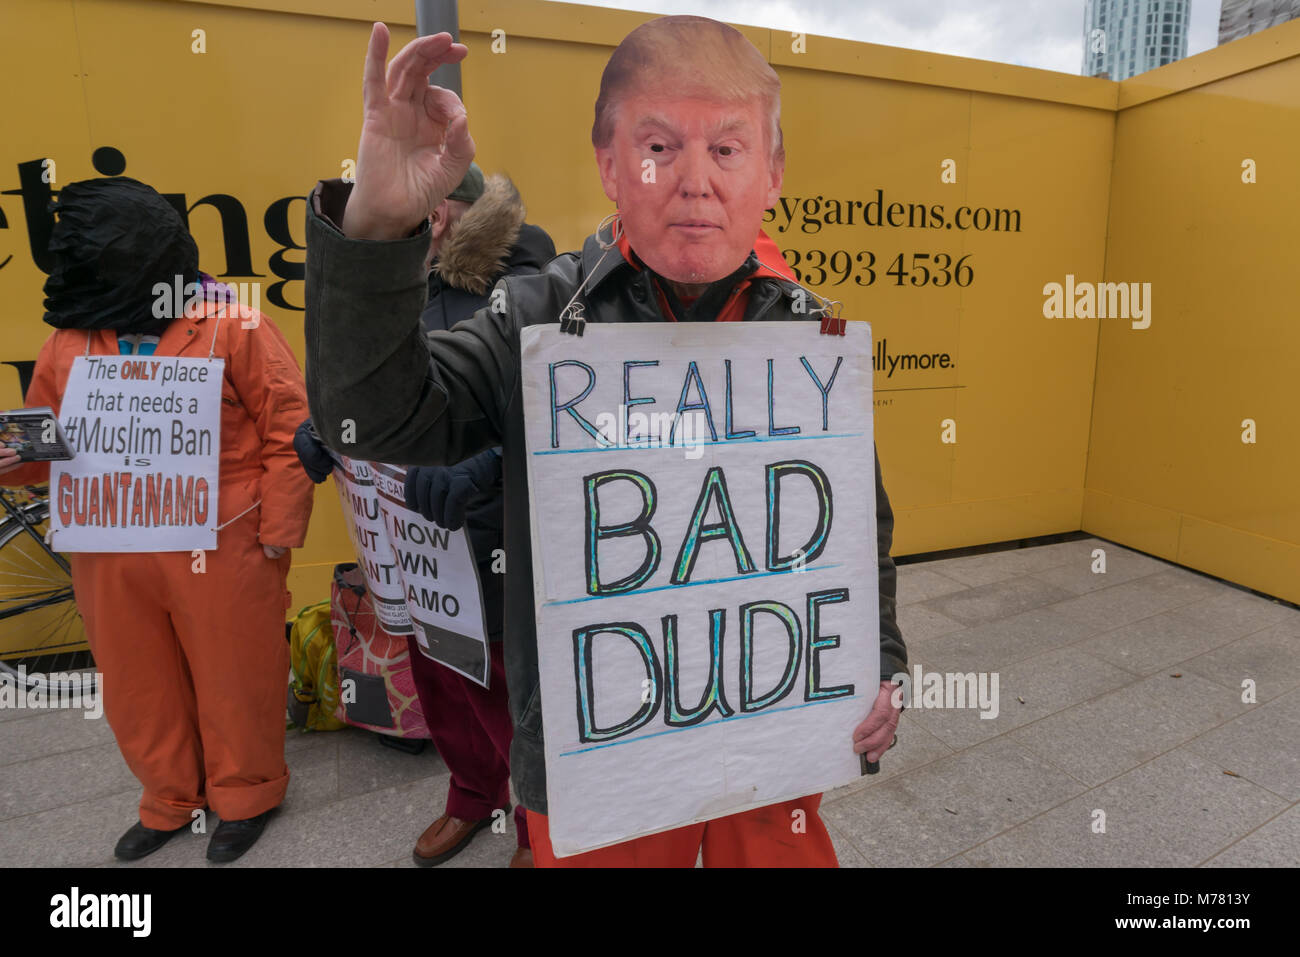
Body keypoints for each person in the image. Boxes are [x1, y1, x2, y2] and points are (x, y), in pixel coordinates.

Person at [303, 16, 905, 867]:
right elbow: (371, 419)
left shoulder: (812, 331)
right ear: (610, 166)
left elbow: (856, 531)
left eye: (728, 150)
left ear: (772, 174)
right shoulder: (539, 317)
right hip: (604, 761)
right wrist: (375, 230)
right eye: (659, 146)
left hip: (771, 746)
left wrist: (878, 661)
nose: (695, 182)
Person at [0, 176, 314, 863]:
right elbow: (47, 439)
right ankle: (170, 796)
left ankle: (246, 793)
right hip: (109, 545)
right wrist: (9, 453)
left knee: (236, 673)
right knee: (138, 680)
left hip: (222, 536)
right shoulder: (69, 342)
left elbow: (289, 425)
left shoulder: (237, 323)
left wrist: (278, 531)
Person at [295, 163, 555, 868]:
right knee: (439, 679)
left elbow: (565, 408)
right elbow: (371, 386)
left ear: (446, 213)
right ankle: (473, 795)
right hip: (411, 548)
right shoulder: (400, 284)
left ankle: (541, 828)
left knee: (508, 693)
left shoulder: (530, 288)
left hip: (497, 543)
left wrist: (488, 462)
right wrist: (328, 425)